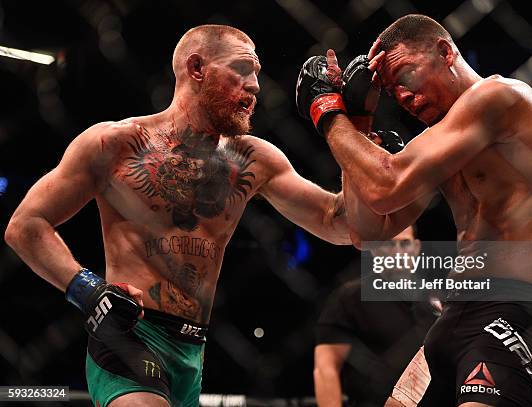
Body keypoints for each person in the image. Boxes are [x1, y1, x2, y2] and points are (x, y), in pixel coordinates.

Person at [2, 25, 366, 407]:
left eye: (257, 73)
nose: (256, 86)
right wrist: (89, 291)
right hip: (130, 334)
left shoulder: (253, 159)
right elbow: (26, 226)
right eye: (243, 69)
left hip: (194, 348)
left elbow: (341, 225)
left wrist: (348, 122)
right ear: (196, 68)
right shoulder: (115, 144)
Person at [296, 14, 532, 407]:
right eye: (392, 91)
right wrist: (357, 120)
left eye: (406, 77)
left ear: (445, 52)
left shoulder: (500, 98)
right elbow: (367, 230)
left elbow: (386, 184)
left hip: (510, 312)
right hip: (452, 317)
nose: (404, 96)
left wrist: (326, 111)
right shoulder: (439, 143)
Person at [314, 226, 439, 407]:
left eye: (404, 244)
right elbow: (326, 368)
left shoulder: (436, 300)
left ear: (417, 247)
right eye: (388, 244)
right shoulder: (349, 297)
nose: (397, 252)